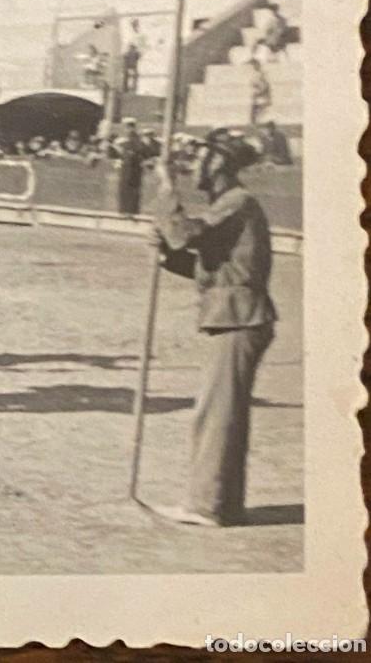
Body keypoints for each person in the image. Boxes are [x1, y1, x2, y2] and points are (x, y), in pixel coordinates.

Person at [152, 129, 275, 527]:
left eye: (200, 158)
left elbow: (182, 234)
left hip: (238, 318)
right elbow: (215, 269)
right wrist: (168, 259)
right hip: (236, 316)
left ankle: (206, 505)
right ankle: (223, 504)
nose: (193, 167)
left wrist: (167, 192)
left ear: (219, 162)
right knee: (224, 413)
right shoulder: (233, 204)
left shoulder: (236, 202)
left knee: (216, 413)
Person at [116, 118, 147, 215]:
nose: (126, 129)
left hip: (131, 169)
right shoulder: (131, 139)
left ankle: (128, 211)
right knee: (127, 190)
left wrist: (124, 155)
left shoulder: (134, 139)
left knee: (128, 190)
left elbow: (136, 153)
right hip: (129, 169)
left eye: (127, 127)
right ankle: (127, 210)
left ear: (130, 127)